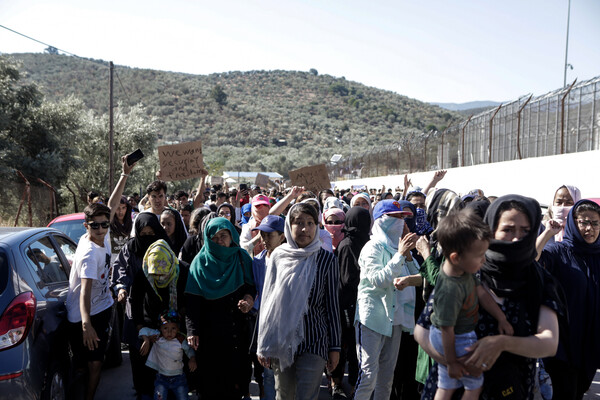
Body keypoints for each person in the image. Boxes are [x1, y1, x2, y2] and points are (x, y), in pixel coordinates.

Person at [415, 194, 564, 400]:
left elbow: (549, 342)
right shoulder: (465, 269)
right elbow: (422, 330)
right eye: (508, 229)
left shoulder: (538, 280)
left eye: (525, 231)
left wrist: (501, 343)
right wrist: (456, 363)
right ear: (492, 230)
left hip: (509, 389)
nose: (516, 237)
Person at [257, 203, 341, 400]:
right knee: (284, 395)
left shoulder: (327, 260)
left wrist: (335, 347)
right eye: (299, 223)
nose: (305, 229)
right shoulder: (278, 256)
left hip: (315, 340)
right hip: (281, 340)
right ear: (289, 226)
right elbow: (268, 302)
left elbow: (332, 306)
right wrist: (263, 343)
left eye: (310, 223)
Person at [429, 210, 514, 400]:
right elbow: (446, 329)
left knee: (446, 386)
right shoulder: (450, 289)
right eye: (479, 255)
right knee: (474, 383)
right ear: (455, 257)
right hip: (456, 337)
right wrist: (451, 362)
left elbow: (481, 293)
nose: (484, 260)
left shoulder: (463, 271)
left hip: (454, 333)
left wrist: (500, 317)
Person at [353, 199, 421, 400]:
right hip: (373, 318)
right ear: (382, 220)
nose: (401, 222)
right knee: (368, 376)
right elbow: (378, 280)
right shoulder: (372, 248)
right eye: (396, 217)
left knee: (386, 377)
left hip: (395, 319)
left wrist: (407, 255)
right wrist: (400, 255)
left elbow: (417, 277)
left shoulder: (398, 249)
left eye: (403, 218)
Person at [185, 217, 256, 400]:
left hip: (236, 335)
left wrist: (248, 299)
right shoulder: (199, 264)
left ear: (231, 236)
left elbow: (251, 286)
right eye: (214, 237)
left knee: (236, 385)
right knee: (210, 387)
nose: (219, 241)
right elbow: (192, 302)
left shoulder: (241, 257)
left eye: (223, 235)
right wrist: (192, 331)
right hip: (210, 338)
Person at [538, 199, 600, 399]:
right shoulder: (559, 251)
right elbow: (531, 258)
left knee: (579, 391)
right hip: (564, 344)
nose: (589, 228)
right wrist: (547, 233)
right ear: (573, 222)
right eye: (583, 222)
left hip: (589, 343)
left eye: (595, 223)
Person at [112, 213, 172, 399]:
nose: (147, 237)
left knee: (163, 350)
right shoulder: (130, 247)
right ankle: (142, 390)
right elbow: (120, 268)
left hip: (161, 307)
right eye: (143, 233)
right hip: (135, 305)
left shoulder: (164, 247)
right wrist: (121, 288)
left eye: (151, 233)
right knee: (139, 354)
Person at [66, 203, 114, 400]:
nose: (101, 229)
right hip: (83, 317)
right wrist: (87, 326)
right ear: (86, 226)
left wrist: (124, 176)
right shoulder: (89, 254)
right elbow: (85, 291)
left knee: (96, 363)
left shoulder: (103, 236)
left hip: (102, 308)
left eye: (105, 224)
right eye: (95, 226)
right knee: (87, 365)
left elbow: (112, 202)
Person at [329, 207, 371, 398]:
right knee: (344, 344)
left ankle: (354, 383)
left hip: (358, 303)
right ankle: (336, 382)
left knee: (356, 348)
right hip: (346, 303)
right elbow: (346, 279)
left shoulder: (366, 243)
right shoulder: (347, 245)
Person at [250, 215, 287, 400]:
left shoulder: (292, 261)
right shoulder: (257, 262)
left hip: (286, 323)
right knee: (268, 373)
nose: (264, 240)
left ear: (282, 236)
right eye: (261, 235)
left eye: (269, 235)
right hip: (264, 323)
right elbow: (255, 289)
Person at [139, 310, 196, 400]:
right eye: (165, 328)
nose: (169, 332)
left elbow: (189, 350)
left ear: (178, 329)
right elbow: (143, 330)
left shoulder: (181, 339)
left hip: (179, 379)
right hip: (161, 379)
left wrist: (192, 359)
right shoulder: (157, 336)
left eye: (173, 328)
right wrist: (146, 340)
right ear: (160, 328)